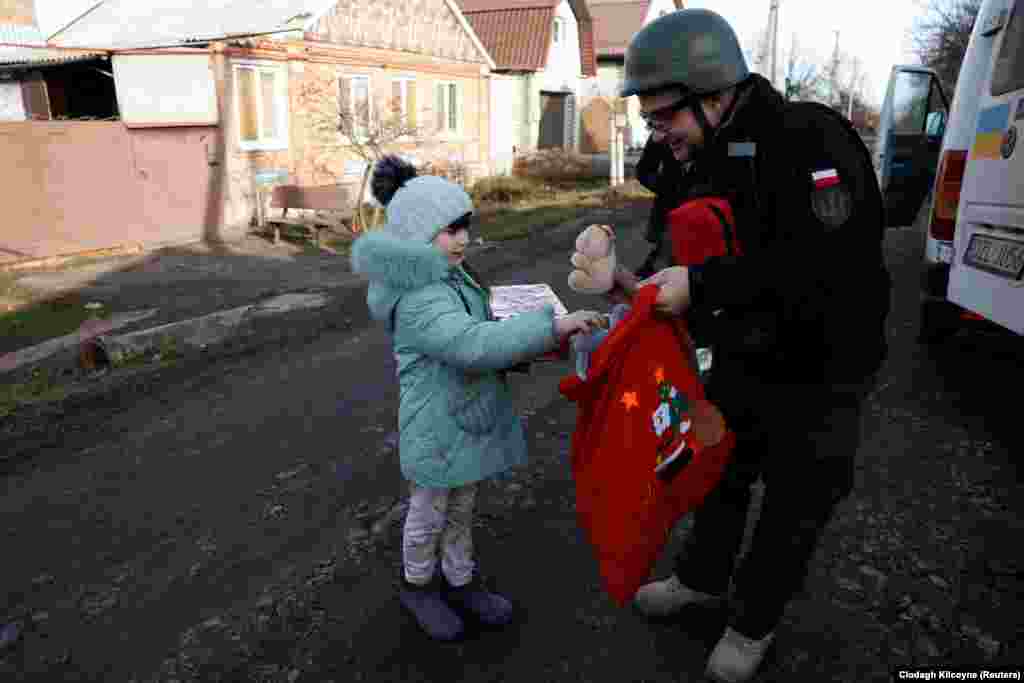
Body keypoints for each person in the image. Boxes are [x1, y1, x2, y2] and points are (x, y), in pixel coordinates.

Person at [612, 9, 892, 682]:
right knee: (720, 472)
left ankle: (753, 620)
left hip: (824, 363)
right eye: (648, 120)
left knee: (796, 498)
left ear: (713, 95)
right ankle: (700, 580)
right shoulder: (691, 155)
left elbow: (828, 268)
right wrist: (630, 282)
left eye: (663, 117)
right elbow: (681, 242)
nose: (658, 133)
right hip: (742, 351)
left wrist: (703, 286)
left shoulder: (810, 140)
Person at [351, 155, 603, 641]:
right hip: (435, 425)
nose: (463, 239)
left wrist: (529, 339)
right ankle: (418, 585)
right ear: (418, 236)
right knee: (429, 514)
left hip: (461, 417)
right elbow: (470, 344)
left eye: (465, 227)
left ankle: (460, 580)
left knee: (461, 509)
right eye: (450, 230)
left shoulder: (450, 275)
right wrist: (549, 328)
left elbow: (482, 328)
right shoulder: (419, 297)